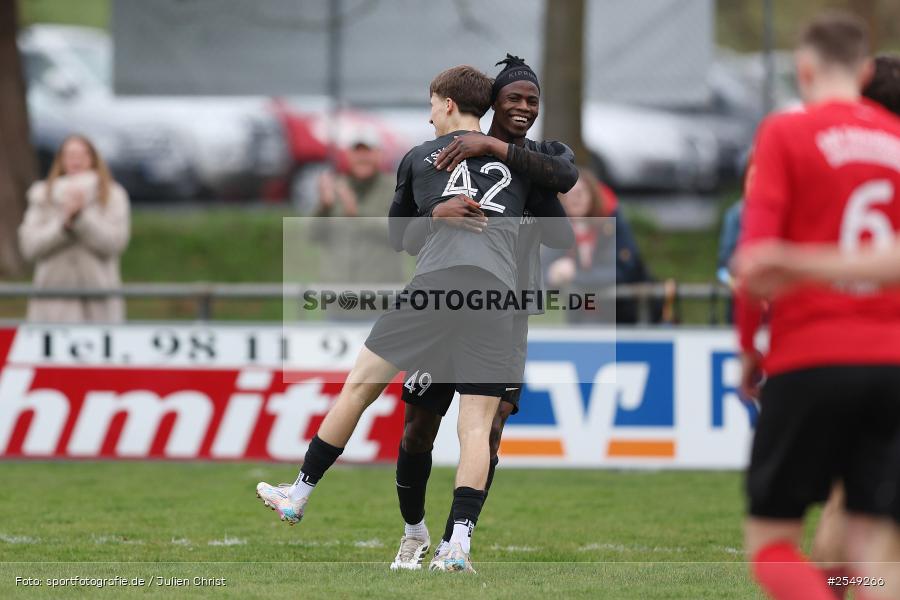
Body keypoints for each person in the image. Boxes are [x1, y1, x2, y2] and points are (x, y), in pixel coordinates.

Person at [256, 65, 542, 573]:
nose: (429, 112)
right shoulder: (520, 161)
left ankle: (298, 493)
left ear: (449, 104)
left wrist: (433, 215)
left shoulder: (418, 158)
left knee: (358, 388)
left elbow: (397, 238)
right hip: (496, 297)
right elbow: (560, 186)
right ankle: (458, 547)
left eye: (433, 103)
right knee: (475, 428)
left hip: (437, 286)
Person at [385, 54, 576, 571]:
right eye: (513, 98)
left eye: (532, 101)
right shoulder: (444, 156)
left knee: (488, 431)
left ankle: (454, 544)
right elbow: (401, 235)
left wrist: (523, 191)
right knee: (418, 427)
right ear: (490, 104)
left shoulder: (528, 164)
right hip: (445, 304)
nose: (524, 108)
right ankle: (412, 534)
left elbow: (562, 230)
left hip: (505, 315)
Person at [734, 15, 900, 600]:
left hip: (811, 355)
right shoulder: (896, 138)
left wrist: (748, 349)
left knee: (772, 546)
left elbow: (754, 265)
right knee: (876, 553)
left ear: (802, 70)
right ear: (863, 71)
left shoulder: (786, 132)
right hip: (891, 362)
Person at [18, 134, 130, 323]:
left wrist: (81, 219)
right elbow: (30, 247)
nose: (75, 160)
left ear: (93, 158)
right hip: (52, 303)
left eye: (82, 154)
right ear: (60, 160)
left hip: (99, 304)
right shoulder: (41, 195)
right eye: (69, 155)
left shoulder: (112, 195)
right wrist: (63, 226)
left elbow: (114, 243)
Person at [544, 168, 653, 323]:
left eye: (579, 193)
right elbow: (542, 270)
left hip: (623, 315)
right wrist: (552, 275)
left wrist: (574, 275)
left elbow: (622, 272)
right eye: (566, 194)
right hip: (580, 316)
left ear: (592, 195)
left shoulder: (612, 224)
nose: (573, 199)